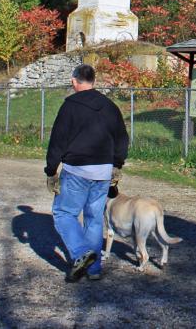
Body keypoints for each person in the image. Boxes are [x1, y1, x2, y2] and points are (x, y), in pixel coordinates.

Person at [45, 64, 128, 283]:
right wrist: (117, 165)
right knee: (94, 218)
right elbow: (121, 138)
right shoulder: (109, 106)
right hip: (103, 172)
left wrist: (51, 170)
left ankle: (82, 252)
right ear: (93, 81)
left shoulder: (70, 106)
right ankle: (94, 269)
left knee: (64, 213)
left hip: (76, 170)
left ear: (74, 81)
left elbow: (58, 141)